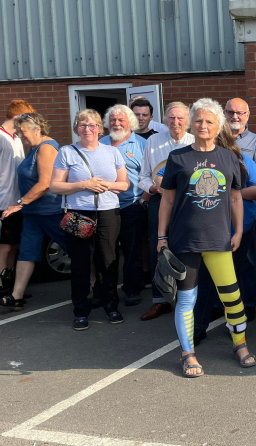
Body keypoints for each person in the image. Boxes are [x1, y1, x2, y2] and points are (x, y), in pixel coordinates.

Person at [158, 98, 256, 377]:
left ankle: (240, 345)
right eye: (199, 120)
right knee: (186, 300)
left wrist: (238, 231)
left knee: (232, 297)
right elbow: (167, 201)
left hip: (219, 239)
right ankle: (188, 354)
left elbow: (236, 198)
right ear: (191, 123)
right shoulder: (177, 157)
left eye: (209, 121)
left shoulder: (229, 157)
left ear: (218, 125)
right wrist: (161, 237)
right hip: (184, 240)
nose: (203, 125)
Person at [51, 110, 129, 330]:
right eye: (83, 125)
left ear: (100, 129)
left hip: (108, 212)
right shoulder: (67, 152)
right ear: (76, 128)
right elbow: (55, 185)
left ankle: (111, 306)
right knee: (81, 264)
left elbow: (124, 184)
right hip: (79, 214)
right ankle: (81, 311)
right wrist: (83, 185)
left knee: (108, 261)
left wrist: (106, 185)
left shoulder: (112, 152)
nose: (88, 129)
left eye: (92, 125)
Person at [0, 113, 64, 311]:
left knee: (76, 249)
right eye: (18, 132)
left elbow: (44, 183)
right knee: (27, 252)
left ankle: (95, 285)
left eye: (23, 132)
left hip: (51, 211)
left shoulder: (46, 148)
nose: (20, 136)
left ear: (37, 129)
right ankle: (16, 297)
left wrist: (19, 203)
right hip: (33, 213)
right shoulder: (33, 148)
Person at [137, 101, 194, 321]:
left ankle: (187, 300)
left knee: (187, 250)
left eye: (180, 118)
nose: (175, 122)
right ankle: (160, 300)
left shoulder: (195, 141)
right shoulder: (153, 141)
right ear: (165, 119)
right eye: (171, 117)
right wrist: (152, 188)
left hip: (188, 203)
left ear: (187, 120)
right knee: (159, 248)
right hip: (159, 201)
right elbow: (143, 176)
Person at [100, 105, 147, 306]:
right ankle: (106, 291)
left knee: (132, 250)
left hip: (131, 205)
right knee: (107, 251)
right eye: (113, 120)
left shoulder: (142, 144)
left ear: (130, 123)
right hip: (105, 207)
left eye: (121, 120)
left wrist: (143, 200)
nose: (116, 124)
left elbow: (151, 174)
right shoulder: (100, 143)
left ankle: (132, 289)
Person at [224, 97, 256, 319]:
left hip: (245, 214)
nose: (235, 116)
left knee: (246, 261)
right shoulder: (213, 141)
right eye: (230, 112)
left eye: (240, 113)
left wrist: (229, 196)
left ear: (247, 115)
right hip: (216, 217)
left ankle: (247, 303)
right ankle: (218, 305)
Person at [0, 100, 31, 292]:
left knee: (14, 245)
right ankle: (2, 287)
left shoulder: (17, 138)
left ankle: (10, 287)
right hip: (3, 202)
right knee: (4, 247)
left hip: (17, 201)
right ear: (18, 117)